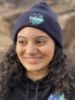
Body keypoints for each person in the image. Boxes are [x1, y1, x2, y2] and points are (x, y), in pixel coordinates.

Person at [0, 1, 75, 100]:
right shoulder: (3, 84)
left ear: (56, 45)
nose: (30, 51)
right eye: (22, 41)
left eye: (40, 42)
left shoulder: (71, 88)